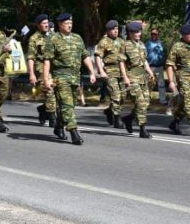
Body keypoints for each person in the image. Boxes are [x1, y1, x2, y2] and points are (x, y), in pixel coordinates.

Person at [43, 13, 97, 145]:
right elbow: (47, 60)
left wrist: (92, 72)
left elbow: (85, 56)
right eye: (66, 23)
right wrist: (46, 79)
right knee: (67, 105)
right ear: (60, 24)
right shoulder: (53, 39)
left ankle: (58, 126)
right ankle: (74, 132)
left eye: (71, 23)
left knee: (69, 105)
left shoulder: (77, 38)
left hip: (75, 77)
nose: (69, 25)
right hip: (60, 77)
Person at [166, 22, 190, 137]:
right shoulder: (177, 46)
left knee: (184, 104)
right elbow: (169, 64)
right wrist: (171, 82)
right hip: (183, 78)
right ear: (183, 35)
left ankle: (175, 123)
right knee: (189, 103)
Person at [120, 22, 156, 138]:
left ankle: (128, 119)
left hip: (142, 77)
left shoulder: (142, 45)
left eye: (139, 31)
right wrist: (125, 77)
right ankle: (142, 128)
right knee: (140, 102)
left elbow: (144, 61)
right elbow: (121, 62)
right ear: (130, 33)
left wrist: (150, 72)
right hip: (132, 77)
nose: (138, 34)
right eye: (135, 32)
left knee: (145, 103)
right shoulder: (125, 45)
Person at [27, 14, 57, 128]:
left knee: (59, 94)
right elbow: (30, 57)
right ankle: (52, 118)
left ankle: (43, 109)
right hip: (41, 68)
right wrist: (31, 74)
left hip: (55, 68)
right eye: (44, 23)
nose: (46, 25)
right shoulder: (34, 38)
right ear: (38, 25)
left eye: (47, 22)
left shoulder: (54, 36)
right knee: (50, 92)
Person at [94, 20, 125, 129]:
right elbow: (98, 56)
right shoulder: (104, 41)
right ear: (108, 30)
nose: (116, 31)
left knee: (123, 96)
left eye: (117, 29)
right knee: (115, 95)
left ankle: (109, 110)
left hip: (121, 71)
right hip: (110, 71)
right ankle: (117, 119)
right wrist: (101, 71)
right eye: (113, 29)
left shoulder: (121, 41)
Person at [145, 27, 167, 105]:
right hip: (150, 67)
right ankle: (146, 101)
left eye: (155, 34)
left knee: (161, 84)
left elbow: (164, 55)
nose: (153, 35)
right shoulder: (147, 43)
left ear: (158, 35)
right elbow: (144, 55)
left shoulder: (161, 43)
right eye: (152, 34)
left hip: (159, 67)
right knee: (149, 84)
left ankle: (163, 100)